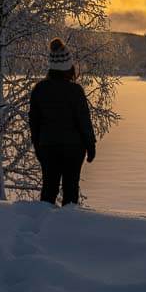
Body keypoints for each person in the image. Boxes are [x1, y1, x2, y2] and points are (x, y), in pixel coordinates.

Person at [28, 38, 97, 206]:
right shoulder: (75, 91)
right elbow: (84, 121)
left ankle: (42, 226)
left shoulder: (39, 89)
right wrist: (91, 146)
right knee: (71, 190)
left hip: (48, 148)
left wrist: (38, 146)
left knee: (48, 190)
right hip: (73, 149)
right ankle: (68, 227)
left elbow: (34, 123)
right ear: (68, 66)